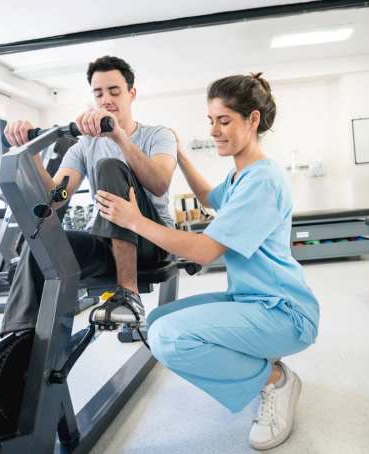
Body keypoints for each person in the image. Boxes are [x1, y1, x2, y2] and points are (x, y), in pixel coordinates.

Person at [95, 73, 319, 450]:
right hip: (252, 301)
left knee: (168, 338)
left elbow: (203, 250)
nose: (215, 130)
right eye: (211, 121)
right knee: (158, 322)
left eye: (225, 121)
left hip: (284, 313)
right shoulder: (240, 176)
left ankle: (275, 380)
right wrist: (179, 152)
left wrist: (134, 221)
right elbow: (207, 195)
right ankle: (261, 360)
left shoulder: (263, 180)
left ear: (253, 120)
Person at [0, 55, 177, 336]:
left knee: (109, 166)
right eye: (99, 93)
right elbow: (56, 196)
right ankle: (20, 336)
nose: (106, 99)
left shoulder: (158, 135)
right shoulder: (84, 146)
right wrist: (31, 152)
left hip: (153, 240)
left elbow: (159, 184)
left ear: (131, 94)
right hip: (108, 242)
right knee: (42, 246)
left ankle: (128, 293)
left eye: (114, 91)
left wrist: (118, 137)